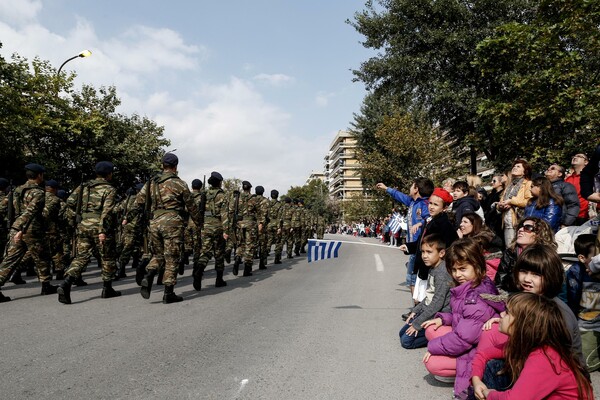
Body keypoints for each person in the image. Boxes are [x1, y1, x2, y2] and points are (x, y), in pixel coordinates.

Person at [421, 238, 505, 397]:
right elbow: (462, 316)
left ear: (477, 266)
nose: (457, 274)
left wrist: (432, 348)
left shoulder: (475, 297)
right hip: (473, 339)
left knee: (432, 361)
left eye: (462, 269)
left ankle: (462, 383)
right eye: (453, 270)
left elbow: (463, 340)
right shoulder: (473, 285)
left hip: (477, 349)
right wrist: (444, 319)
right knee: (432, 329)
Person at [471, 292, 593, 400]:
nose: (501, 315)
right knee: (494, 365)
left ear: (524, 324)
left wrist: (489, 394)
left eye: (508, 313)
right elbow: (483, 354)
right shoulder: (525, 344)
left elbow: (514, 399)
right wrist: (477, 382)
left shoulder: (545, 357)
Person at [133, 153, 202, 304]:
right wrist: (198, 223)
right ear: (176, 167)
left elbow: (138, 202)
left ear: (162, 165)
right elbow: (191, 207)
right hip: (172, 224)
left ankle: (149, 274)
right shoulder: (180, 184)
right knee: (172, 258)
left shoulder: (151, 183)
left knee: (158, 255)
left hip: (154, 222)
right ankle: (168, 293)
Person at [57, 161, 119, 304]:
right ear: (109, 174)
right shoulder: (109, 189)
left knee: (81, 257)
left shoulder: (84, 186)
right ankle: (107, 288)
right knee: (107, 257)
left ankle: (66, 283)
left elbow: (69, 202)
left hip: (83, 226)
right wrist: (102, 230)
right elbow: (107, 212)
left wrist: (77, 218)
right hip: (99, 227)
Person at [0, 164, 58, 301]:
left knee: (9, 260)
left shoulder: (16, 190)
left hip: (15, 228)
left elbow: (3, 207)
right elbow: (30, 211)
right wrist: (21, 228)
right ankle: (46, 285)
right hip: (31, 229)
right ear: (39, 175)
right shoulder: (37, 193)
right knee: (42, 257)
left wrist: (14, 225)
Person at [377, 177, 433, 299]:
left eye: (412, 185)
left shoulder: (424, 204)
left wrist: (420, 223)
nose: (410, 188)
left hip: (419, 247)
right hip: (412, 246)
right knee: (413, 280)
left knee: (413, 280)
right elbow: (399, 196)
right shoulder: (412, 202)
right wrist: (387, 189)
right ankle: (417, 308)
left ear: (416, 189)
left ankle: (417, 310)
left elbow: (430, 219)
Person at [400, 188, 458, 305]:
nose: (431, 207)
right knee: (421, 301)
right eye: (430, 203)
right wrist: (408, 247)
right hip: (425, 267)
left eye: (436, 205)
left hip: (433, 269)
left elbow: (449, 247)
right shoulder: (431, 221)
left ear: (444, 208)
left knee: (428, 302)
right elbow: (423, 242)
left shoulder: (443, 224)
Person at [399, 234, 452, 349]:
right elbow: (429, 296)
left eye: (429, 252)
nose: (424, 256)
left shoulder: (443, 273)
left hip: (439, 315)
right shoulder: (433, 269)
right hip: (429, 310)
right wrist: (416, 310)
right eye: (423, 252)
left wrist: (417, 323)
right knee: (402, 333)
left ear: (441, 253)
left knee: (406, 341)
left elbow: (437, 303)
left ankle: (439, 338)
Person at [494, 217, 555, 293]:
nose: (520, 230)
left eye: (527, 228)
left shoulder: (547, 257)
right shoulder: (510, 253)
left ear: (539, 234)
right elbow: (499, 283)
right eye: (520, 227)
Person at [192, 171, 228, 291]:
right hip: (218, 226)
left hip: (205, 226)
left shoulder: (204, 194)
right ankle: (219, 279)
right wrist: (226, 230)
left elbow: (199, 211)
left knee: (205, 251)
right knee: (219, 253)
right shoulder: (222, 195)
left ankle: (199, 271)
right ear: (219, 183)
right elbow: (224, 214)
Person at [496, 159, 533, 246]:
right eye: (514, 166)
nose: (514, 168)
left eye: (518, 166)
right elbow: (502, 201)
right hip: (507, 221)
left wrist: (511, 201)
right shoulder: (509, 185)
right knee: (509, 247)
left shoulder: (528, 183)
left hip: (519, 220)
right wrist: (500, 206)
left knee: (519, 247)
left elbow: (529, 201)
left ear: (525, 171)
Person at [457, 213, 503, 281]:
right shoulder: (470, 238)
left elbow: (466, 255)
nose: (461, 225)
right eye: (461, 222)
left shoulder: (481, 241)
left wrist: (460, 240)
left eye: (465, 222)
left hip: (487, 276)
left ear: (474, 224)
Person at [545, 163, 580, 228]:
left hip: (559, 225)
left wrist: (566, 223)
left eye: (553, 168)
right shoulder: (543, 187)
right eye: (548, 169)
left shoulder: (566, 186)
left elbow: (573, 205)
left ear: (559, 174)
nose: (549, 170)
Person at [566, 152, 590, 225]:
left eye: (579, 156)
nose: (575, 157)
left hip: (584, 216)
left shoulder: (590, 177)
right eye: (574, 156)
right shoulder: (567, 179)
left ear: (586, 162)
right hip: (568, 215)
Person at [254, 186, 270, 270]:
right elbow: (265, 214)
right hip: (262, 225)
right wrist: (261, 223)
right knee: (263, 245)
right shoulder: (265, 201)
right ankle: (262, 263)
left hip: (251, 224)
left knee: (251, 244)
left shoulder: (252, 199)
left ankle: (248, 266)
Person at [267, 189, 284, 263]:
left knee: (268, 242)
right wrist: (279, 227)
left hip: (268, 225)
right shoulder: (279, 205)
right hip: (276, 225)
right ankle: (277, 259)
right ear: (277, 195)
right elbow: (280, 217)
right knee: (278, 242)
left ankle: (263, 261)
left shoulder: (267, 203)